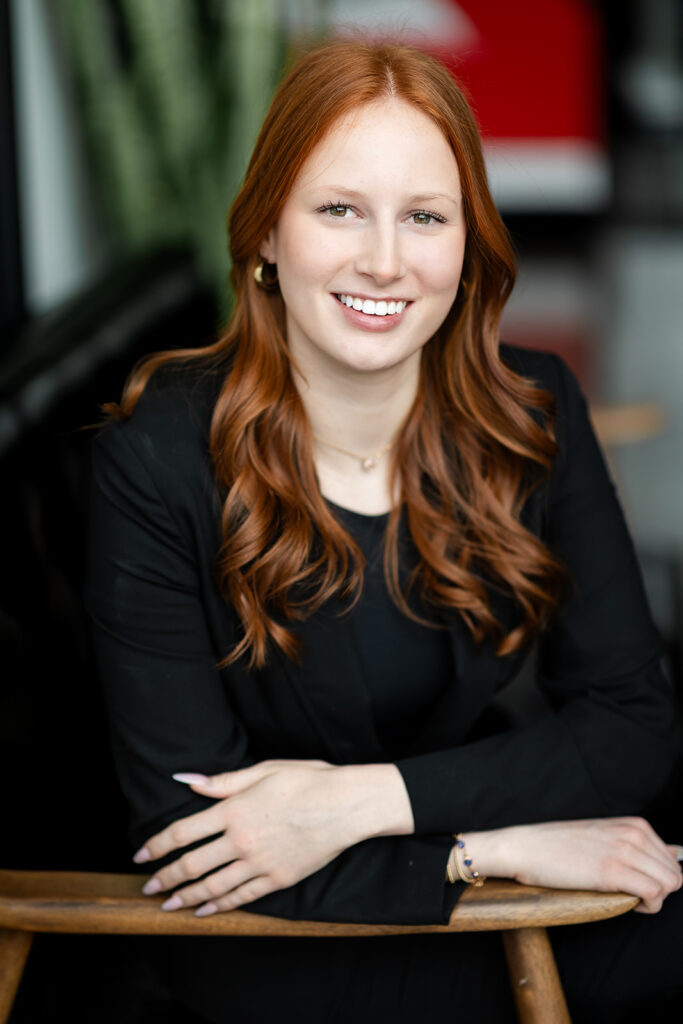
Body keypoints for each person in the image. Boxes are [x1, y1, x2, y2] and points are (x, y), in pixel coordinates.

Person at [86, 39, 683, 1023]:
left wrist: (361, 802)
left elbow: (631, 723)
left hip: (447, 886)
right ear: (266, 230)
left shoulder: (530, 413)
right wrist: (488, 850)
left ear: (467, 242)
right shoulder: (156, 459)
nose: (383, 261)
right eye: (338, 210)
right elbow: (191, 831)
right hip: (263, 934)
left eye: (424, 217)